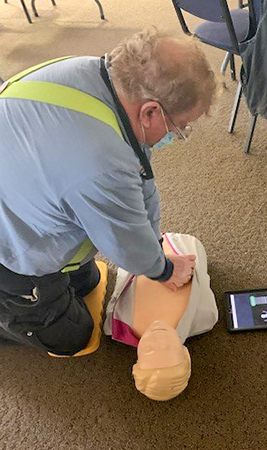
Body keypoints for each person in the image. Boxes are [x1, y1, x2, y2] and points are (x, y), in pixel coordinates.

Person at [0, 28, 216, 355]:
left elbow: (140, 176)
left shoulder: (94, 75)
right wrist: (164, 269)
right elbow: (124, 241)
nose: (178, 134)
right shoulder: (101, 162)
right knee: (74, 335)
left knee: (85, 281)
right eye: (180, 127)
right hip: (9, 252)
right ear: (151, 112)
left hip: (18, 194)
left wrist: (155, 246)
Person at [104, 232, 218, 400]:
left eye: (149, 349)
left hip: (140, 245)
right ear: (185, 353)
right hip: (181, 244)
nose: (157, 339)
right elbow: (202, 279)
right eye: (167, 347)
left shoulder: (116, 325)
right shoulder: (206, 318)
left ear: (136, 361)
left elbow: (123, 279)